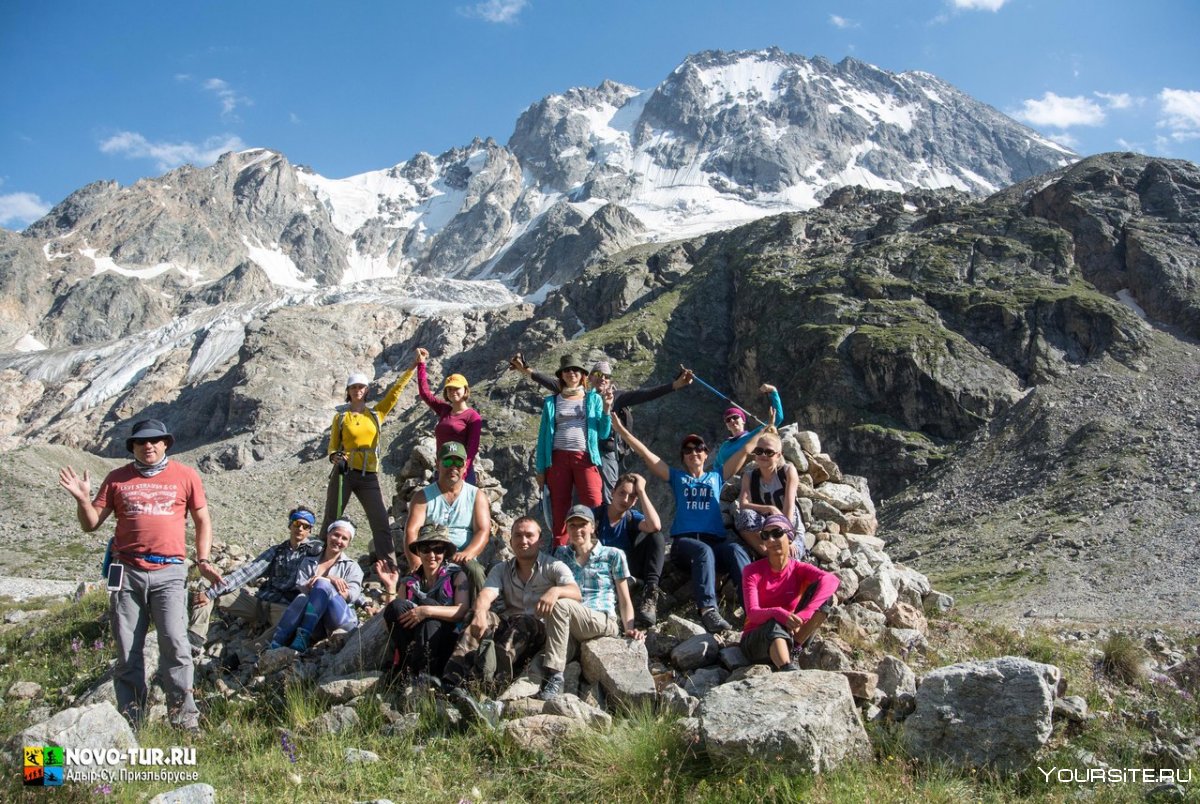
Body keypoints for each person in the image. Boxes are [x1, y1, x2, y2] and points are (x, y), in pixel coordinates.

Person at [58, 417, 217, 731]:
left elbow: (202, 520)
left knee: (175, 642)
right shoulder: (117, 478)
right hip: (126, 570)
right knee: (128, 648)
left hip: (170, 570)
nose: (149, 446)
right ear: (132, 446)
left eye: (155, 440)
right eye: (141, 441)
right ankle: (132, 720)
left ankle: (185, 720)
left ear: (166, 443)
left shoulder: (186, 476)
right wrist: (82, 500)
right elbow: (91, 524)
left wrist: (202, 559)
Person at [611, 415, 761, 633]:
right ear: (683, 457)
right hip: (686, 544)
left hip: (715, 542)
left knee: (736, 550)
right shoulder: (677, 478)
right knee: (702, 552)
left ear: (706, 453)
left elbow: (745, 450)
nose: (694, 453)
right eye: (688, 450)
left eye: (698, 448)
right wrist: (622, 431)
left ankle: (754, 607)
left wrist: (768, 429)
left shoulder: (716, 477)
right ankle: (708, 610)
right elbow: (646, 453)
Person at [511, 353, 693, 502]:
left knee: (607, 494)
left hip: (605, 452)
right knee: (581, 497)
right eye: (598, 375)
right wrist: (526, 370)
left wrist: (675, 385)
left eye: (607, 376)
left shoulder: (617, 397)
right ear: (589, 378)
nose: (603, 379)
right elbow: (552, 382)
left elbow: (645, 394)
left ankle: (605, 531)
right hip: (582, 453)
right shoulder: (581, 395)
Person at [440, 517, 579, 691]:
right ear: (511, 540)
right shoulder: (501, 569)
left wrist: (556, 591)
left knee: (524, 621)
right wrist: (480, 613)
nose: (523, 540)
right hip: (510, 626)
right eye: (518, 535)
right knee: (476, 616)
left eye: (529, 535)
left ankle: (489, 685)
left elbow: (575, 592)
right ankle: (451, 682)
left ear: (540, 540)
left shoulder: (554, 566)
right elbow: (486, 594)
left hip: (539, 630)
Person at [539, 505, 643, 700]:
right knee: (539, 659)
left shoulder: (613, 555)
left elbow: (624, 598)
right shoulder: (561, 554)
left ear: (593, 527)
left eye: (583, 524)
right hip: (569, 624)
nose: (577, 529)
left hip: (601, 619)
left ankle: (556, 677)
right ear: (566, 529)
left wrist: (629, 627)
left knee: (560, 604)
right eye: (572, 525)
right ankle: (507, 701)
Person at [322, 360, 418, 568]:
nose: (357, 391)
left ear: (366, 391)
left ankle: (388, 567)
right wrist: (334, 457)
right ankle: (322, 560)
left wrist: (412, 367)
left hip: (368, 474)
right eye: (354, 387)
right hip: (344, 472)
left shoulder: (376, 414)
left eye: (361, 387)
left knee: (380, 521)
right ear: (348, 391)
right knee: (332, 517)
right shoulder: (340, 418)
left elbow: (395, 393)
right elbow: (332, 447)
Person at [188, 506, 324, 646]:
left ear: (310, 530)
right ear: (290, 524)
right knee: (210, 592)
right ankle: (195, 638)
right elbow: (248, 572)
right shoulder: (277, 551)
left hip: (284, 608)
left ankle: (246, 654)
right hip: (259, 603)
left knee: (289, 625)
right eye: (297, 523)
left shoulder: (314, 554)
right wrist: (212, 592)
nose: (300, 528)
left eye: (305, 526)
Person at [532, 354, 613, 546]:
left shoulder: (593, 399)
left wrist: (607, 410)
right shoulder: (552, 401)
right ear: (561, 375)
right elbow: (543, 437)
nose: (571, 373)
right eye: (567, 370)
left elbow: (602, 433)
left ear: (583, 375)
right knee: (559, 506)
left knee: (593, 499)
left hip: (585, 456)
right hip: (557, 458)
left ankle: (594, 544)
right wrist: (540, 469)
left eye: (576, 370)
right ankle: (560, 547)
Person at [741, 515, 840, 671]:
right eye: (765, 536)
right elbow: (753, 613)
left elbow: (832, 581)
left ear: (790, 538)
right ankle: (787, 669)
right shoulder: (752, 571)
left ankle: (795, 648)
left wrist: (805, 613)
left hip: (791, 631)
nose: (771, 540)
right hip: (755, 639)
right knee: (774, 624)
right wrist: (778, 613)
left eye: (777, 533)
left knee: (825, 598)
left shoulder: (798, 568)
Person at [377, 524, 469, 680]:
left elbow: (461, 611)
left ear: (445, 552)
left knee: (429, 605)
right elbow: (392, 618)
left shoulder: (457, 576)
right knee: (397, 605)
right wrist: (391, 586)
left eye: (438, 549)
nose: (431, 555)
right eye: (426, 549)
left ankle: (422, 672)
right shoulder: (408, 583)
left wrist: (426, 611)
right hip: (414, 642)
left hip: (445, 640)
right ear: (418, 552)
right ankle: (410, 667)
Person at [403, 441, 490, 594]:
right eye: (448, 461)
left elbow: (483, 530)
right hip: (431, 555)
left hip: (461, 556)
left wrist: (468, 553)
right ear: (438, 464)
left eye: (458, 462)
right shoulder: (422, 496)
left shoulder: (476, 495)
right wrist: (416, 562)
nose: (453, 467)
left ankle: (481, 613)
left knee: (475, 572)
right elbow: (411, 531)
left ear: (465, 466)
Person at [268, 520, 365, 652]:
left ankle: (302, 636)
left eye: (344, 538)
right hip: (317, 621)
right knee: (302, 597)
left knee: (322, 585)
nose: (338, 540)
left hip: (340, 620)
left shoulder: (352, 567)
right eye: (336, 535)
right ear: (328, 535)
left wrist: (327, 581)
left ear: (348, 543)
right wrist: (327, 580)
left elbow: (352, 595)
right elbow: (301, 585)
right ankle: (276, 643)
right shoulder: (309, 560)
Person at [593, 473, 664, 626]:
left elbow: (655, 526)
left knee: (656, 537)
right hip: (598, 571)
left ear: (635, 501)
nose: (625, 499)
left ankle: (650, 594)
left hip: (625, 569)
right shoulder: (596, 516)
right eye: (621, 493)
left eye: (631, 496)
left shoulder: (631, 518)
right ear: (612, 492)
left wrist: (642, 491)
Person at [414, 347, 483, 484]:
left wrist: (462, 474)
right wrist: (421, 364)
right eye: (449, 389)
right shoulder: (444, 410)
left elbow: (472, 449)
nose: (453, 392)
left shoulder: (472, 417)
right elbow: (425, 393)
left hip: (460, 471)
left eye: (457, 388)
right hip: (442, 469)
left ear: (465, 390)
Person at [733, 431, 804, 559]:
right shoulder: (749, 476)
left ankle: (776, 554)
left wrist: (787, 536)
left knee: (790, 557)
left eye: (769, 452)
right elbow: (743, 504)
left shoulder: (787, 472)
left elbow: (789, 506)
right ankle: (767, 554)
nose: (763, 455)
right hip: (765, 529)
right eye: (759, 451)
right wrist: (770, 509)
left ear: (779, 455)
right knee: (743, 517)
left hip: (790, 529)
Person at [713, 383, 784, 474]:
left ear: (743, 420)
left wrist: (773, 391)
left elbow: (778, 417)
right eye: (728, 420)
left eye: (735, 417)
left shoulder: (754, 435)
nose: (732, 421)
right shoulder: (724, 446)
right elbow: (716, 467)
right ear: (727, 425)